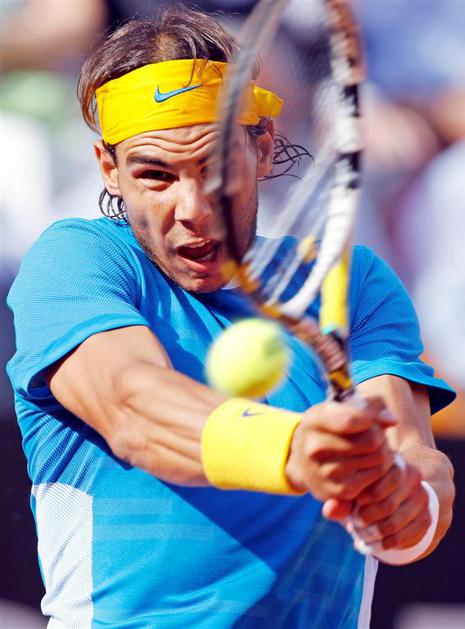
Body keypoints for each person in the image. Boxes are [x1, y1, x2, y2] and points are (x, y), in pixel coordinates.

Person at [7, 7, 455, 629]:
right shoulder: (75, 259)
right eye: (155, 175)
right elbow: (135, 408)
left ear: (263, 147)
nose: (193, 208)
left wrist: (403, 504)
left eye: (217, 168)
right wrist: (294, 448)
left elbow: (414, 462)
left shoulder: (352, 283)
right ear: (110, 170)